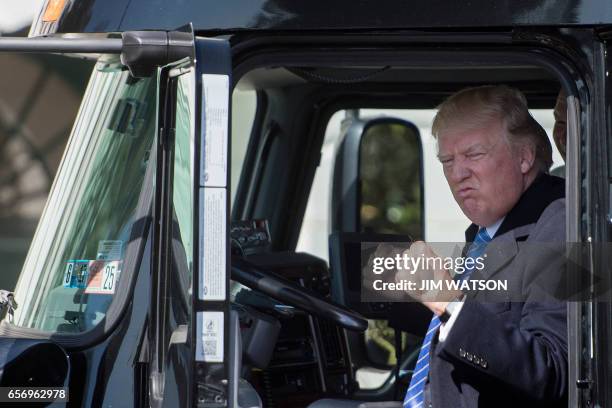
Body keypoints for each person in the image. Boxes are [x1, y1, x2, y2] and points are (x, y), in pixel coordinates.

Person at [398, 85, 567, 408]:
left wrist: (449, 302)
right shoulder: (489, 232)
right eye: (447, 160)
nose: (458, 174)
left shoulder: (561, 225)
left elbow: (552, 371)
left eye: (473, 155)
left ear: (524, 157)